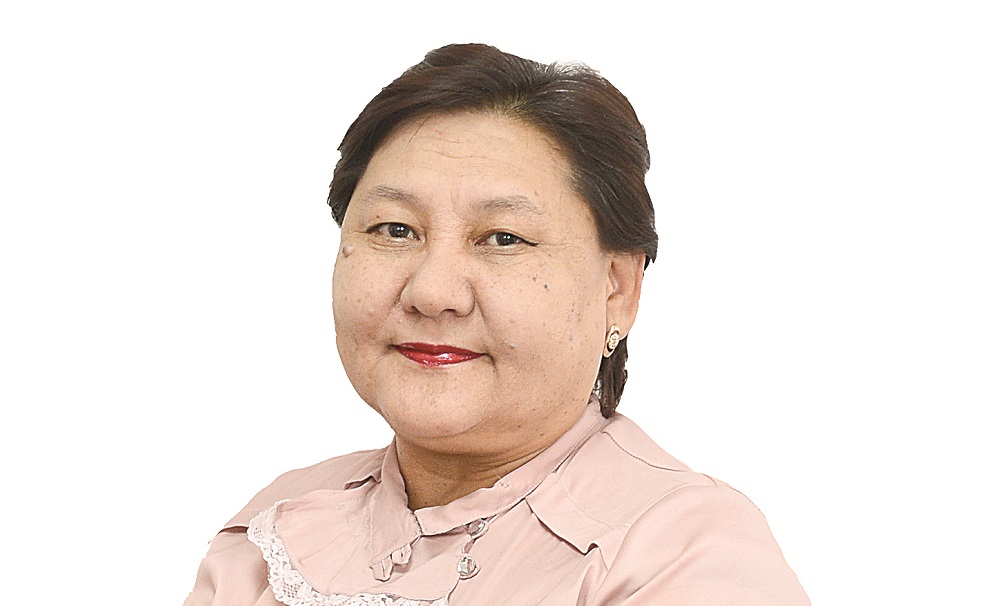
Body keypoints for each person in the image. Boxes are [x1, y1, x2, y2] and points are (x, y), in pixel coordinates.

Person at [184, 43, 810, 605]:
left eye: (503, 238)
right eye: (395, 229)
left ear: (617, 288)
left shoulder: (684, 554)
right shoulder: (273, 533)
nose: (433, 293)